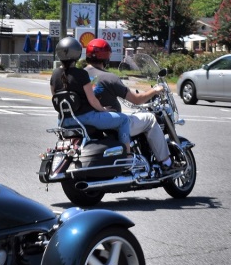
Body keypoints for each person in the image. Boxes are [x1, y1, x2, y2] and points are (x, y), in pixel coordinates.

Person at [83, 38, 175, 174]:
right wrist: (154, 90)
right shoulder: (109, 78)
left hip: (89, 122)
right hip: (112, 123)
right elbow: (136, 100)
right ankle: (166, 163)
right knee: (149, 118)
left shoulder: (81, 75)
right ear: (107, 57)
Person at [48, 36, 132, 152]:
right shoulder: (81, 74)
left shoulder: (55, 74)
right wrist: (104, 110)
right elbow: (92, 100)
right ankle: (127, 155)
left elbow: (55, 97)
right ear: (77, 54)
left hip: (63, 121)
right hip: (86, 118)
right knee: (123, 119)